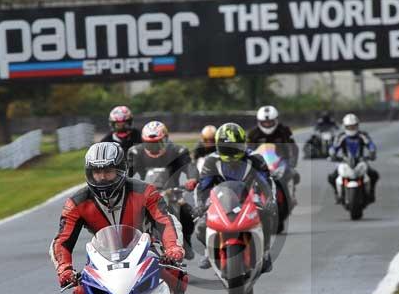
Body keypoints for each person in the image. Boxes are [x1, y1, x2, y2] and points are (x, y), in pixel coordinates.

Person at [50, 141, 190, 294]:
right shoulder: (76, 203)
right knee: (80, 293)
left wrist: (173, 247)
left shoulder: (145, 191)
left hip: (144, 248)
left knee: (175, 274)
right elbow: (62, 240)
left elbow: (165, 221)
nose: (102, 177)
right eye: (97, 172)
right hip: (103, 254)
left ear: (121, 170)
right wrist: (64, 268)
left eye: (108, 171)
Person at [195, 122, 278, 272]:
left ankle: (265, 253)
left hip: (250, 198)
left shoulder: (255, 159)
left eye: (235, 147)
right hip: (220, 200)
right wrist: (200, 204)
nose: (232, 152)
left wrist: (270, 200)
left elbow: (267, 182)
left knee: (266, 216)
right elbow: (203, 186)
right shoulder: (211, 161)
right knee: (200, 226)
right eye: (227, 148)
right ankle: (209, 251)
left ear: (243, 144)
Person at [128, 120, 199, 259]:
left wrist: (192, 178)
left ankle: (186, 241)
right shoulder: (136, 152)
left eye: (157, 143)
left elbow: (189, 166)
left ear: (166, 139)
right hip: (146, 192)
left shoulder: (178, 151)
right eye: (150, 144)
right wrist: (125, 184)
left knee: (186, 211)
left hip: (173, 192)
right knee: (129, 213)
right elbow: (127, 171)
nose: (154, 147)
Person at [327, 113, 379, 203]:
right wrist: (332, 154)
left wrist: (372, 152)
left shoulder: (362, 135)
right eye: (349, 127)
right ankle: (337, 194)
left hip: (360, 161)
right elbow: (334, 147)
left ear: (357, 125)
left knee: (374, 175)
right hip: (345, 161)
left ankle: (371, 193)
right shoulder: (341, 136)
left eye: (353, 126)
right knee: (332, 177)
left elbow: (370, 144)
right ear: (345, 126)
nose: (352, 129)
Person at [246, 105, 300, 170]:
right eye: (265, 122)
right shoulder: (253, 133)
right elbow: (249, 150)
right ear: (259, 121)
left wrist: (292, 163)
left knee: (289, 172)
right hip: (261, 163)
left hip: (281, 162)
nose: (267, 124)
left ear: (275, 120)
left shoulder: (284, 130)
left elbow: (293, 146)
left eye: (270, 122)